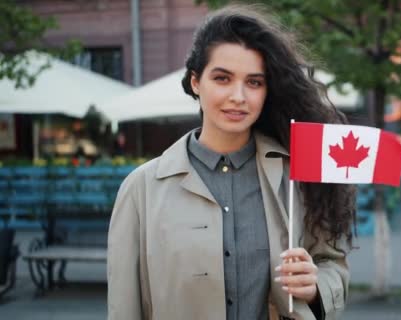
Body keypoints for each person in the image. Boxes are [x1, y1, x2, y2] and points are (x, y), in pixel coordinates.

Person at [107, 5, 356, 320]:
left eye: (254, 82)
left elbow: (332, 263)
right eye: (222, 78)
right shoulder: (141, 189)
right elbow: (123, 306)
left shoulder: (296, 174)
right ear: (196, 82)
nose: (239, 96)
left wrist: (315, 285)